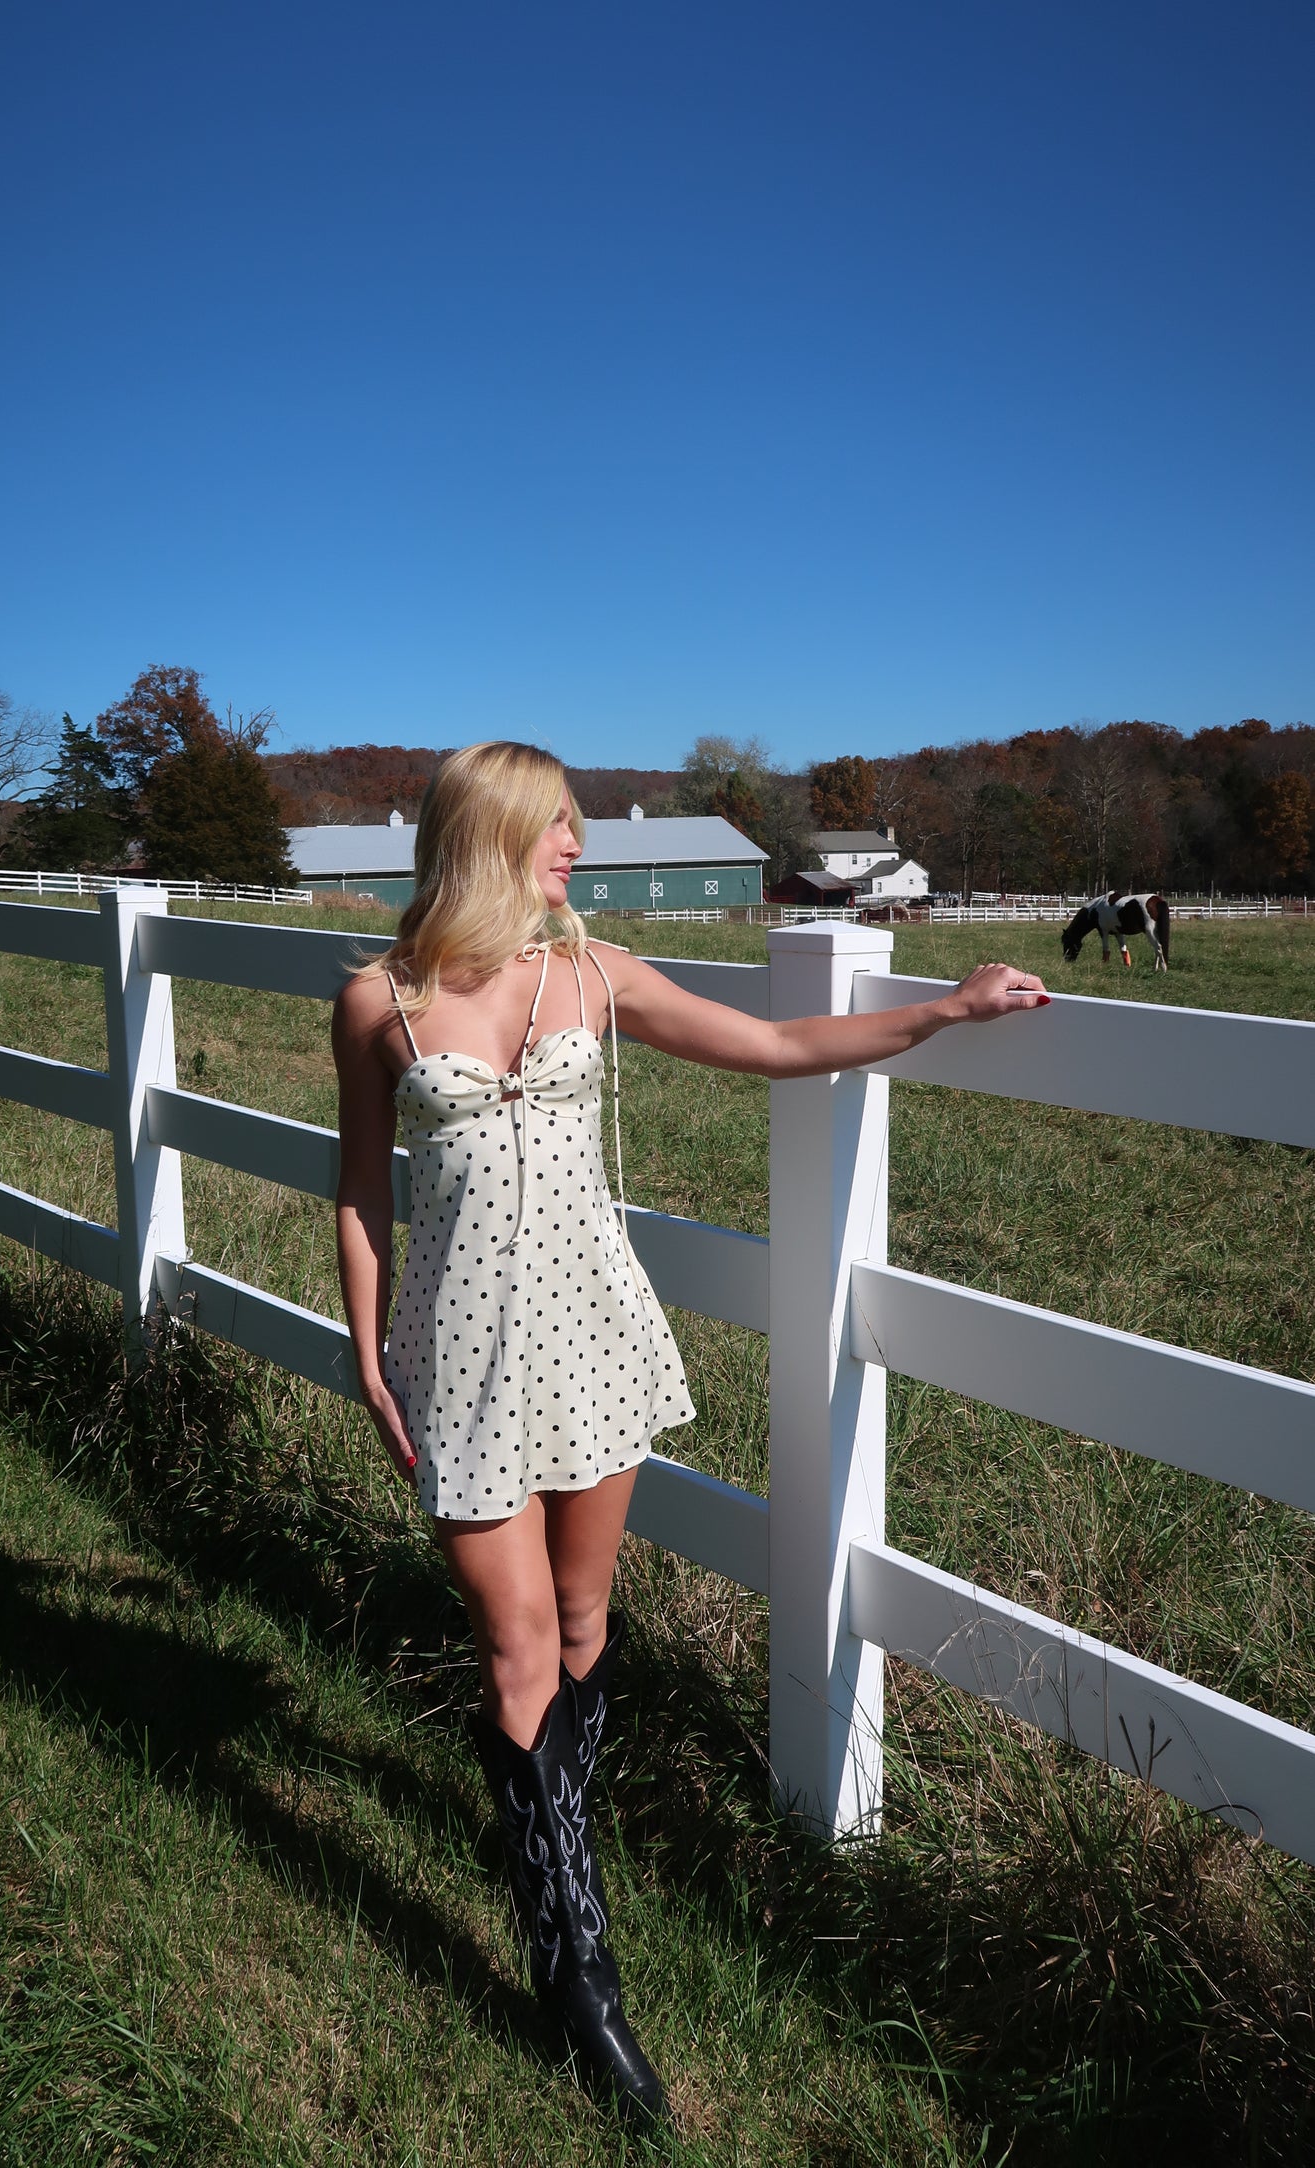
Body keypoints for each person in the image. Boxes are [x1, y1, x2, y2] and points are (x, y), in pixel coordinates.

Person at [332, 740, 1049, 2121]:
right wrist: (364, 1349)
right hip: (459, 1360)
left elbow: (781, 1047)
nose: (579, 850)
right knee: (515, 1642)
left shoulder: (590, 977)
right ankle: (578, 1972)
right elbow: (363, 1183)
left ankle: (559, 1851)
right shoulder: (377, 999)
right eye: (558, 827)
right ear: (490, 834)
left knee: (589, 1624)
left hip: (592, 1343)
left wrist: (943, 1011)